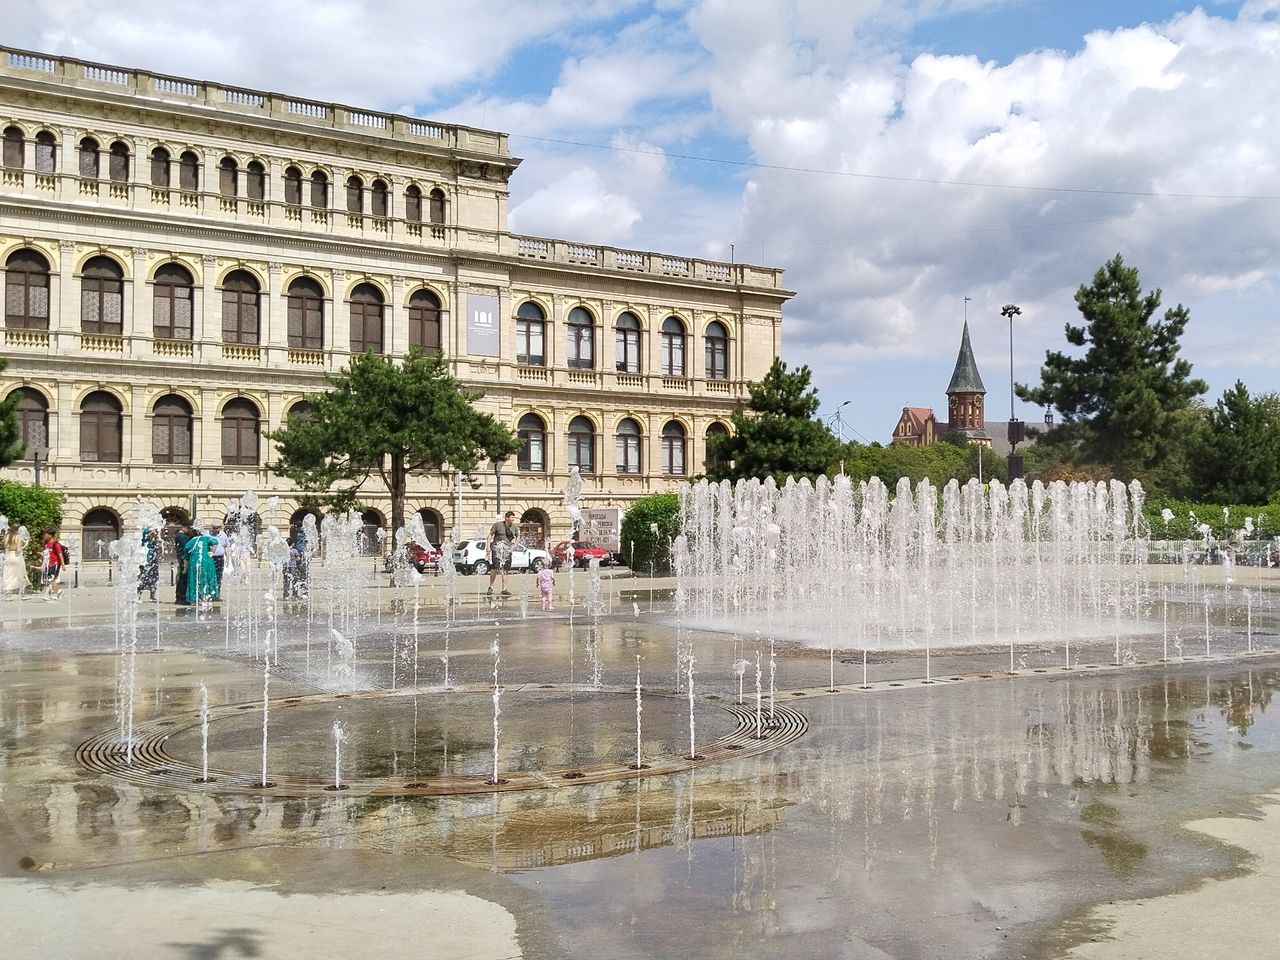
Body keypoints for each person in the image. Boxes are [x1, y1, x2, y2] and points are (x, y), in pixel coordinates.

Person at [184, 525, 220, 606]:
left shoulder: (189, 543)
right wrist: (212, 552)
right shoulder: (205, 538)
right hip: (206, 561)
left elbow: (185, 557)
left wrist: (185, 569)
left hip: (194, 562)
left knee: (194, 579)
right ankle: (207, 596)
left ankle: (194, 599)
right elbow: (215, 542)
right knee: (207, 578)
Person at [486, 510, 517, 597]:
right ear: (507, 518)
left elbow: (518, 537)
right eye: (512, 518)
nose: (513, 520)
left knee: (506, 569)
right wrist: (488, 547)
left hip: (507, 550)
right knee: (495, 568)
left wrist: (514, 546)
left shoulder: (514, 527)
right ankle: (491, 586)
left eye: (514, 518)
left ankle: (504, 589)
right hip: (497, 549)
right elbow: (490, 535)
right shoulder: (498, 525)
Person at [40, 529, 65, 600]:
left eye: (45, 534)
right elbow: (46, 554)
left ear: (50, 535)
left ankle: (55, 594)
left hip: (55, 564)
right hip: (48, 564)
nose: (44, 536)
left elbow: (60, 554)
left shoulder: (55, 544)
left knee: (53, 578)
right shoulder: (46, 544)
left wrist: (63, 564)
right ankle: (53, 593)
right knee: (48, 579)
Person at [137, 528, 160, 601]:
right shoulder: (144, 542)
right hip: (145, 563)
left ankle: (152, 596)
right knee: (142, 579)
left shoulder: (154, 542)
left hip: (153, 563)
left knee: (154, 579)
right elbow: (144, 536)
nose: (153, 535)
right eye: (152, 534)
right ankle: (138, 596)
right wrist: (150, 532)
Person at [174, 522, 194, 605]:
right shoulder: (182, 536)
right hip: (184, 559)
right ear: (184, 527)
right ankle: (181, 597)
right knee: (183, 578)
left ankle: (180, 597)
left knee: (183, 578)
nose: (189, 530)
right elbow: (187, 548)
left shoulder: (180, 536)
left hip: (182, 558)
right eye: (188, 529)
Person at [3, 527, 26, 596]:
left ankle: (8, 594)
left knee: (8, 574)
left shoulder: (6, 537)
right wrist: (24, 545)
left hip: (8, 556)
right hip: (16, 557)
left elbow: (5, 547)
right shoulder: (18, 537)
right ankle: (22, 594)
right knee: (19, 574)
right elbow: (18, 549)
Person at [211, 520, 228, 592]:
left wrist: (228, 557)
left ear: (220, 528)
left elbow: (226, 546)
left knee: (219, 575)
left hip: (220, 558)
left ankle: (217, 593)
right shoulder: (207, 535)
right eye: (214, 528)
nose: (216, 530)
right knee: (211, 575)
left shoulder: (223, 535)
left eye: (217, 528)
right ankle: (210, 592)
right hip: (210, 558)